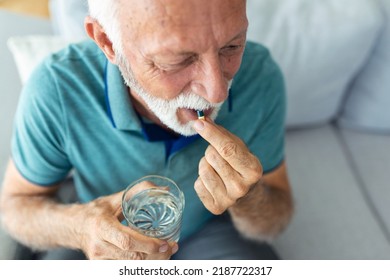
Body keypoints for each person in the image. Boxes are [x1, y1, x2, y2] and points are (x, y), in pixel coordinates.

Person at [0, 0, 294, 260]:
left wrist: (250, 198)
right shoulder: (56, 88)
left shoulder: (261, 76)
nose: (217, 92)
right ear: (107, 42)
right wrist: (80, 227)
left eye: (231, 46)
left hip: (208, 230)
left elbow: (277, 216)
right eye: (176, 60)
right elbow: (14, 207)